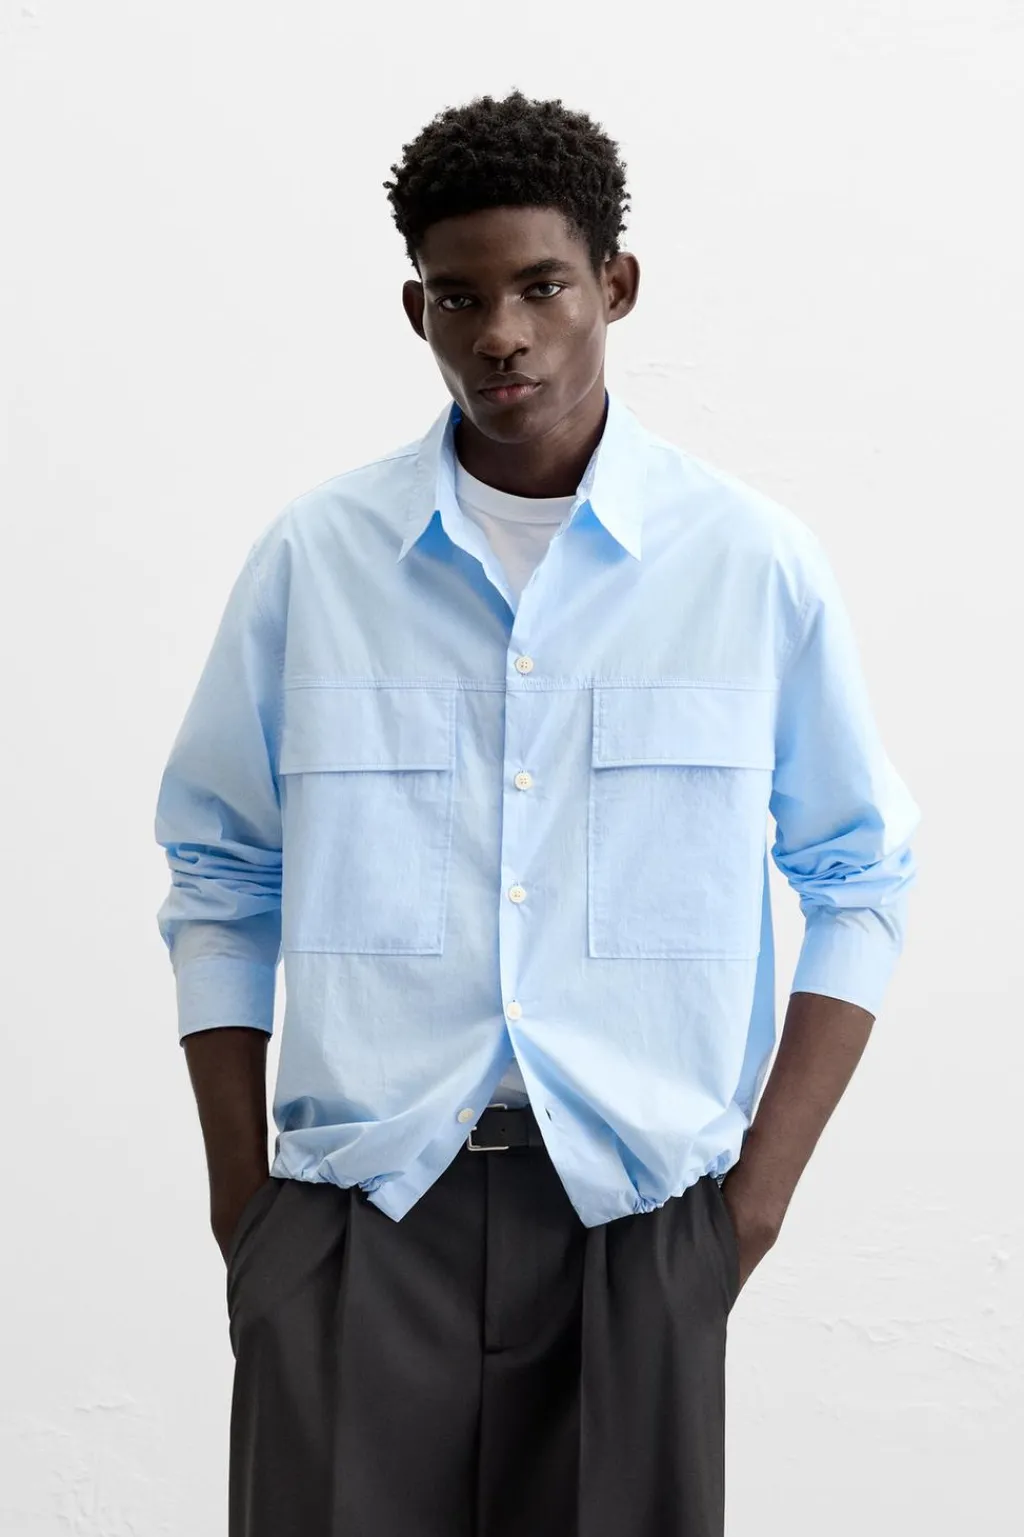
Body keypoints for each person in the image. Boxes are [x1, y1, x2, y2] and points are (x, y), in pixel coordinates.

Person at [154, 88, 920, 1537]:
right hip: (359, 1214)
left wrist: (747, 1211)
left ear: (615, 286)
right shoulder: (318, 561)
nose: (501, 333)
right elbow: (220, 870)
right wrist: (244, 1207)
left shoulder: (748, 565)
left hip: (637, 1224)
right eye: (459, 297)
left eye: (542, 287)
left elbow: (861, 875)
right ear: (416, 310)